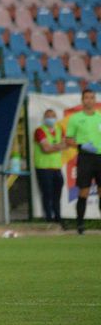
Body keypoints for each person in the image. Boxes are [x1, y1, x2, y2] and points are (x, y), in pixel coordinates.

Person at [66, 87, 101, 234]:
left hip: (100, 157)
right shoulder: (75, 118)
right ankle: (80, 225)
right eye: (87, 98)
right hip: (85, 157)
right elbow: (68, 140)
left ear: (95, 100)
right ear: (82, 100)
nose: (89, 100)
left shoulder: (99, 117)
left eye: (92, 98)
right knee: (84, 191)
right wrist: (81, 145)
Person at [33, 108, 66, 226]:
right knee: (47, 194)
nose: (50, 119)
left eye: (52, 116)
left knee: (57, 194)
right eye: (48, 116)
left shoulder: (59, 129)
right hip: (43, 167)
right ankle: (48, 219)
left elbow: (64, 144)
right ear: (44, 118)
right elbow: (45, 149)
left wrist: (53, 146)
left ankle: (58, 218)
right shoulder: (40, 131)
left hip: (56, 167)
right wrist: (58, 146)